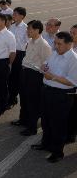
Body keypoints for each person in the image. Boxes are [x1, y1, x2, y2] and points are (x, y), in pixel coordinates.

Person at [31, 32, 77, 163]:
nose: (56, 46)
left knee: (58, 124)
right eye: (55, 43)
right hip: (47, 91)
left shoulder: (74, 59)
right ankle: (45, 143)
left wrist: (54, 77)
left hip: (61, 96)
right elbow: (45, 65)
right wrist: (43, 67)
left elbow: (72, 81)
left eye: (59, 44)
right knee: (46, 120)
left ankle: (57, 152)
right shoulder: (55, 53)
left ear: (69, 44)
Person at [15, 20, 51, 136]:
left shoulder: (44, 45)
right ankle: (23, 120)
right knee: (24, 99)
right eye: (27, 29)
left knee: (33, 102)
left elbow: (47, 65)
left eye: (29, 29)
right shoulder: (30, 41)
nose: (27, 31)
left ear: (37, 30)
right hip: (25, 72)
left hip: (35, 76)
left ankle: (32, 127)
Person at [8, 7, 29, 108]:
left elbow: (28, 43)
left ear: (22, 16)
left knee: (15, 78)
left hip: (20, 54)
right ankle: (10, 96)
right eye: (13, 14)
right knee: (9, 77)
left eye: (15, 14)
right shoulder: (12, 27)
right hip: (10, 53)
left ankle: (12, 99)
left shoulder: (26, 28)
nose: (13, 16)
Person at [66, 24, 77, 143]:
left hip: (75, 86)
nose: (71, 35)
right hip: (67, 85)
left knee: (74, 113)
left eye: (74, 33)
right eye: (70, 32)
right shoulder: (69, 47)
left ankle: (71, 135)